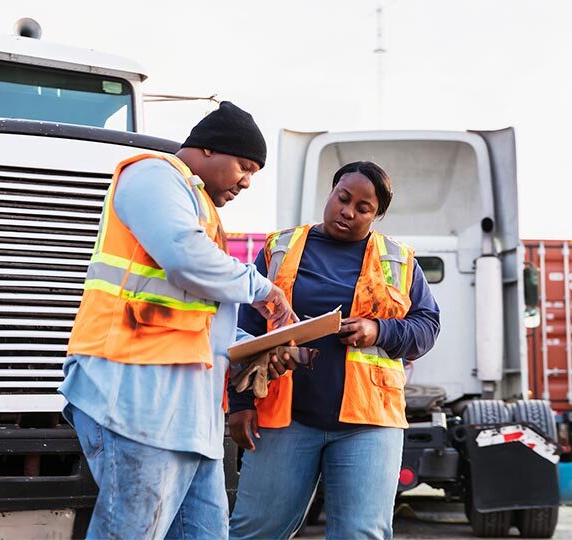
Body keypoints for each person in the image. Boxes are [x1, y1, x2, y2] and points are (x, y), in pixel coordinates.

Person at [61, 101, 296, 539]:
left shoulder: (199, 208)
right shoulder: (153, 176)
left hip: (189, 416)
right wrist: (263, 288)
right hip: (134, 399)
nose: (246, 182)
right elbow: (184, 260)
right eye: (244, 167)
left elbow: (198, 318)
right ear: (208, 149)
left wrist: (251, 348)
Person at [228, 161, 441, 540]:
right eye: (343, 198)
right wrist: (241, 405)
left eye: (363, 208)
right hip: (285, 419)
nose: (348, 211)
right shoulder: (279, 248)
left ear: (376, 216)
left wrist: (378, 329)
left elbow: (427, 327)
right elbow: (244, 331)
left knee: (360, 534)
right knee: (255, 530)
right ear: (330, 193)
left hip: (369, 424)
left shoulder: (399, 260)